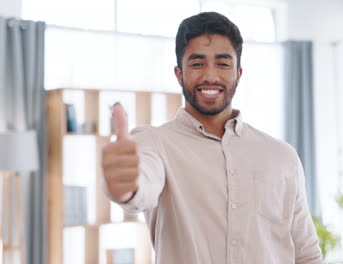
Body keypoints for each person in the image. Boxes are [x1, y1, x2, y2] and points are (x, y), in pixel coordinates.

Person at [102, 12, 322, 263]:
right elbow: (141, 188)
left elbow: (306, 253)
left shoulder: (282, 156)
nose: (210, 76)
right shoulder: (154, 143)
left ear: (238, 73)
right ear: (179, 74)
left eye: (223, 63)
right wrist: (126, 188)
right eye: (197, 63)